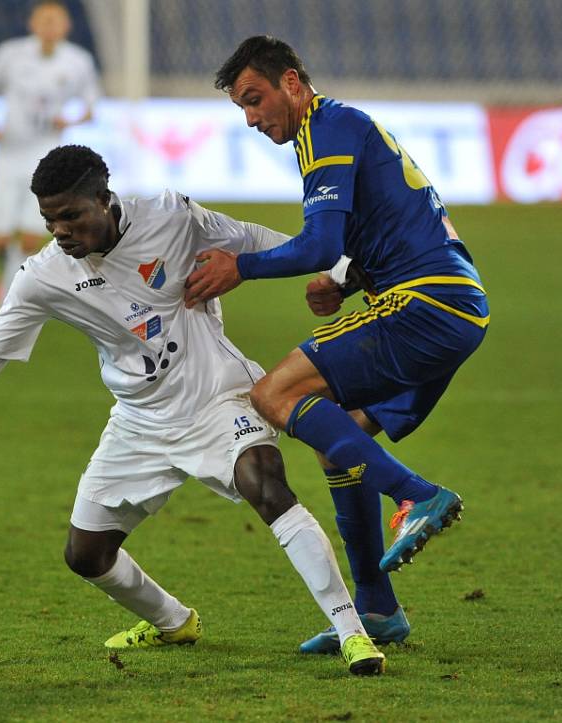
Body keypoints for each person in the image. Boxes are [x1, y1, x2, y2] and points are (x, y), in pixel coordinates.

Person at [0, 145, 386, 676]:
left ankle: (350, 632)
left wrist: (338, 267)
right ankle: (174, 622)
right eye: (50, 221)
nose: (60, 232)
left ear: (104, 198)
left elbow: (256, 239)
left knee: (265, 484)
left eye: (71, 217)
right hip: (139, 420)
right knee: (86, 554)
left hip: (216, 395)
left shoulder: (170, 216)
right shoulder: (42, 277)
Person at [185, 36, 489, 654]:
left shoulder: (328, 128)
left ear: (292, 82)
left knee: (275, 392)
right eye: (240, 107)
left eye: (255, 99)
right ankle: (377, 613)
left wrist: (241, 266)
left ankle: (416, 493)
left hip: (424, 303)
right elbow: (383, 226)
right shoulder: (334, 131)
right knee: (337, 438)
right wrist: (345, 283)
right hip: (453, 307)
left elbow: (318, 242)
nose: (249, 118)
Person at [0, 1, 100, 306]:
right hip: (9, 153)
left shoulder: (78, 61)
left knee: (32, 235)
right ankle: (7, 275)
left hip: (46, 158)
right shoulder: (11, 53)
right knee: (0, 237)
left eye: (55, 20)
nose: (49, 26)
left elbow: (91, 106)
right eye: (43, 20)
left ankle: (12, 289)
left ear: (66, 26)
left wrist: (69, 119)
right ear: (32, 24)